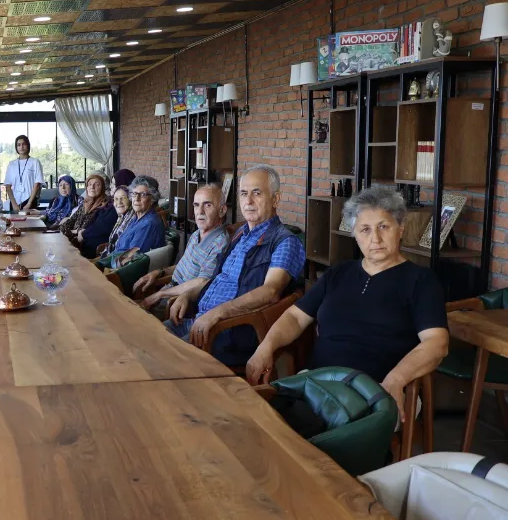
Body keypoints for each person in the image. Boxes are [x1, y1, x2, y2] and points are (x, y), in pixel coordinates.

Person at [246, 186, 449, 423]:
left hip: (377, 391)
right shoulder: (338, 273)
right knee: (258, 417)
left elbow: (437, 343)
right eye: (365, 229)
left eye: (384, 226)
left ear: (401, 228)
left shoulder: (420, 281)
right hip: (318, 383)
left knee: (294, 427)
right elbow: (295, 317)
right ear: (355, 234)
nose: (375, 238)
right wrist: (266, 347)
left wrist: (396, 380)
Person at [168, 165, 306, 366]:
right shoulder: (240, 235)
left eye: (256, 193)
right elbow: (217, 278)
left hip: (229, 331)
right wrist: (187, 295)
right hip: (199, 320)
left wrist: (217, 313)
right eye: (243, 194)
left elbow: (270, 291)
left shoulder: (285, 242)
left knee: (163, 358)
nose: (248, 201)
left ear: (275, 199)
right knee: (147, 337)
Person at [134, 184, 230, 320]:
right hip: (168, 290)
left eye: (207, 205)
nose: (200, 211)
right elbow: (182, 266)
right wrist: (159, 272)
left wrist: (160, 294)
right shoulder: (196, 234)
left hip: (178, 303)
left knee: (133, 320)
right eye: (196, 205)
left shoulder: (220, 243)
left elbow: (202, 282)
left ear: (222, 210)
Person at [113, 176, 166, 254]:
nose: (137, 199)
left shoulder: (148, 224)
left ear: (152, 199)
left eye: (143, 194)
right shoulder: (136, 218)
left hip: (122, 261)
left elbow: (132, 257)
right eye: (134, 193)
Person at [58, 172, 110, 245]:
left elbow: (92, 232)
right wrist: (76, 231)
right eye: (89, 184)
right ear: (86, 188)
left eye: (97, 184)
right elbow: (63, 227)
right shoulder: (84, 205)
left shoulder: (105, 206)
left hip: (87, 246)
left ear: (103, 188)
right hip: (71, 243)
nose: (92, 187)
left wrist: (75, 232)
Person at [4, 134, 44, 211]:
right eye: (19, 145)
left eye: (24, 144)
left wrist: (29, 203)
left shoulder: (35, 162)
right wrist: (13, 203)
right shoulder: (11, 164)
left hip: (30, 200)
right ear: (16, 147)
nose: (21, 147)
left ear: (28, 145)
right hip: (15, 202)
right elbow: (8, 186)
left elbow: (37, 184)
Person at [95, 186, 134, 258]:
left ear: (130, 200)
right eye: (116, 199)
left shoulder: (133, 219)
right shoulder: (121, 217)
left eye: (123, 198)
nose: (119, 202)